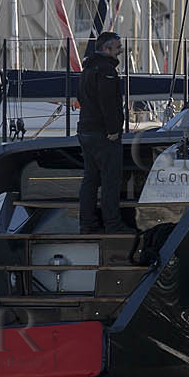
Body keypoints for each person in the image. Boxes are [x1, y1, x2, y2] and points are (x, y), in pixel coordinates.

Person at [77, 31, 129, 234]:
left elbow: (81, 97)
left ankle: (87, 224)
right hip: (102, 133)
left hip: (86, 130)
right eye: (118, 48)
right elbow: (107, 102)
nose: (120, 51)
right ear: (107, 49)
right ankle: (113, 225)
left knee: (90, 179)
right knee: (110, 180)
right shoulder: (106, 70)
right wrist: (113, 129)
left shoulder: (88, 69)